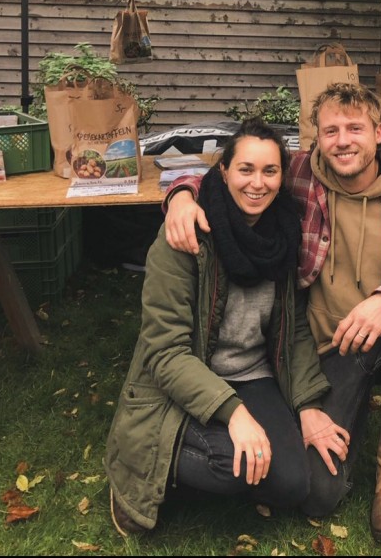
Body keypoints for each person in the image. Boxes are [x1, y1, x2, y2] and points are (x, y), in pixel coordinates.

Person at [163, 82, 381, 542]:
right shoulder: (300, 176)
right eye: (331, 130)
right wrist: (182, 196)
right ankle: (350, 413)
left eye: (354, 128)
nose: (343, 141)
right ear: (316, 139)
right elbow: (232, 175)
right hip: (328, 348)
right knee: (316, 493)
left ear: (378, 132)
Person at [104, 118, 349, 537]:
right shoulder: (184, 235)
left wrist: (308, 405)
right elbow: (165, 352)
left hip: (253, 374)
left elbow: (293, 331)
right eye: (246, 169)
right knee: (233, 469)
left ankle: (212, 454)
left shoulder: (284, 234)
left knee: (291, 483)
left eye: (270, 171)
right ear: (223, 172)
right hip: (186, 373)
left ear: (281, 176)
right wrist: (235, 413)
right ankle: (146, 465)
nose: (258, 183)